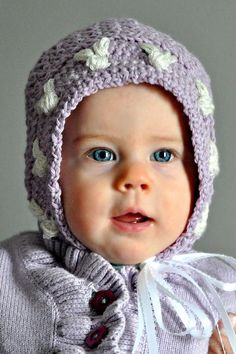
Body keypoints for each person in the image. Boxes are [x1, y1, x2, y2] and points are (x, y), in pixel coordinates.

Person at [0, 17, 236, 353]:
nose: (135, 178)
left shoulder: (221, 291)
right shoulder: (8, 282)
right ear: (50, 173)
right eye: (101, 153)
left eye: (164, 155)